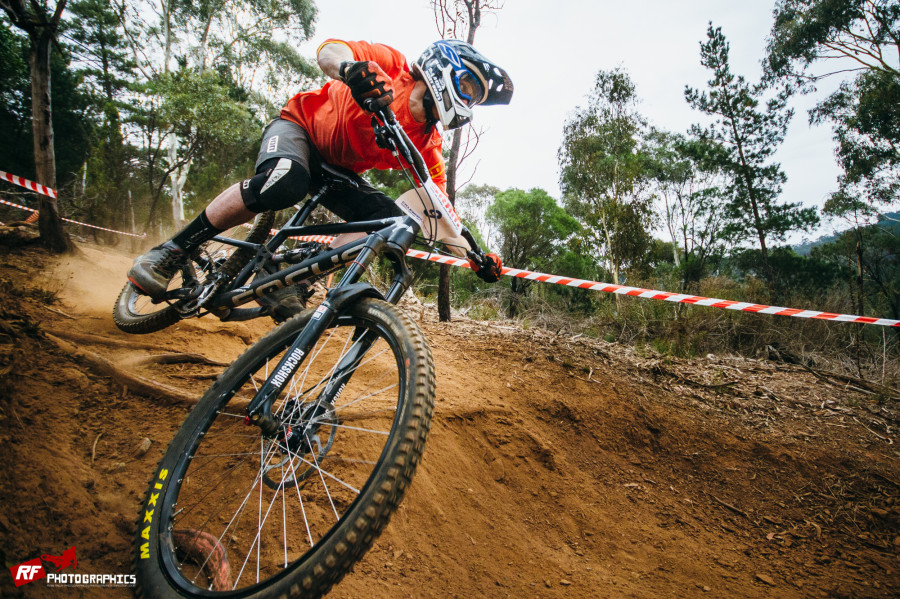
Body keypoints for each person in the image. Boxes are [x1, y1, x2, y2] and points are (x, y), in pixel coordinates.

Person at [128, 38, 510, 303]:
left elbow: (440, 208)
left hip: (336, 170)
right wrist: (349, 69)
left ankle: (293, 278)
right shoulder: (391, 65)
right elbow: (330, 50)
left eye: (476, 97)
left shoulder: (427, 145)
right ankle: (173, 249)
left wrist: (476, 255)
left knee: (391, 220)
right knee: (286, 181)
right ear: (443, 68)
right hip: (299, 128)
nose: (469, 100)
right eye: (468, 86)